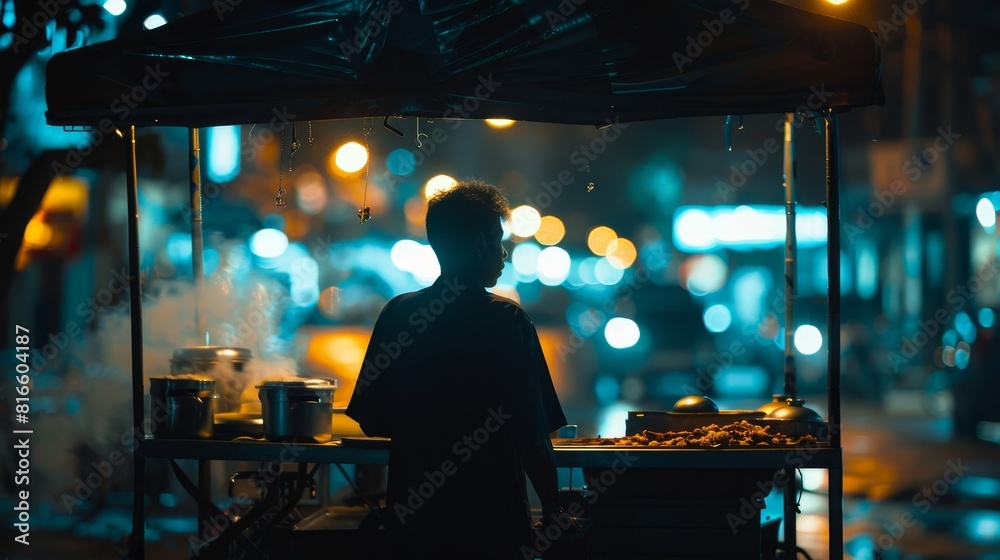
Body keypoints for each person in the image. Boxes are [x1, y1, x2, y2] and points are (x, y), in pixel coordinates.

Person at [346, 180, 568, 559]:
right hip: (491, 524)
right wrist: (553, 507)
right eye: (497, 241)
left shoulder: (398, 314)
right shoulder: (507, 320)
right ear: (479, 242)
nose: (502, 254)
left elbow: (372, 420)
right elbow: (531, 433)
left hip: (414, 523)